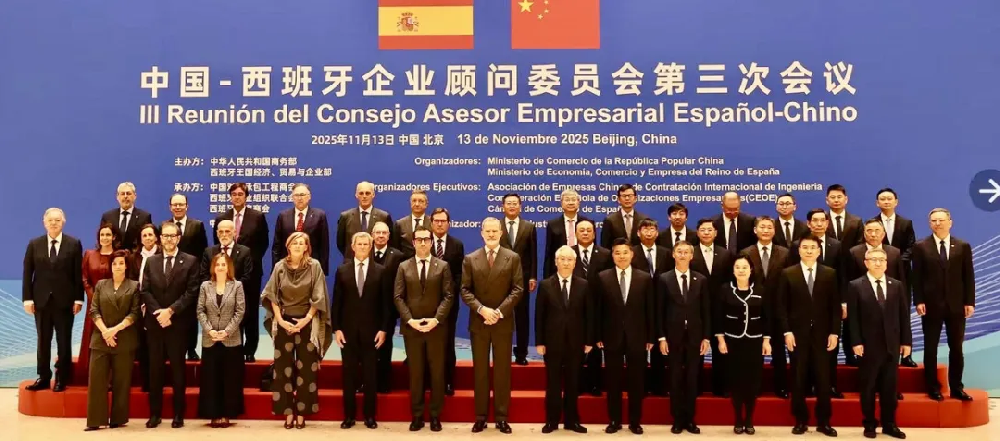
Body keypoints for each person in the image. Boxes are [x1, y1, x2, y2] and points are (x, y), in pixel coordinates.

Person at [262, 231, 333, 429]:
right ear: (288, 246)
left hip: (307, 322)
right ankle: (287, 413)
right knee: (282, 370)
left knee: (307, 370)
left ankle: (302, 413)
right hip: (283, 322)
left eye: (302, 243)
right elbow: (271, 295)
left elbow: (319, 296)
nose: (298, 246)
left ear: (307, 247)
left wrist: (306, 320)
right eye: (294, 243)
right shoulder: (279, 267)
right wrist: (279, 320)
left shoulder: (315, 266)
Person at [462, 217, 524, 434]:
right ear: (481, 233)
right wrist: (482, 309)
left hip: (502, 322)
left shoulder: (512, 257)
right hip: (479, 322)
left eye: (494, 231)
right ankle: (480, 417)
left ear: (501, 233)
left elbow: (518, 289)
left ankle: (501, 417)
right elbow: (465, 290)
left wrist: (498, 312)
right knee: (480, 372)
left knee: (502, 372)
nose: (490, 234)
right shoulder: (470, 259)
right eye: (487, 231)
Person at [776, 235, 840, 437]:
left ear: (819, 251)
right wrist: (787, 331)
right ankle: (800, 420)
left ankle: (824, 421)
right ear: (799, 250)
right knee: (798, 377)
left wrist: (834, 332)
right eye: (805, 247)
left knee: (823, 378)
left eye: (813, 247)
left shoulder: (830, 273)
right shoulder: (788, 273)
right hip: (797, 335)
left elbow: (835, 307)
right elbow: (782, 306)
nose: (809, 250)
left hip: (823, 335)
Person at [394, 226, 454, 432]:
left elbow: (448, 296)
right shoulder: (403, 266)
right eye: (418, 239)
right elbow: (398, 297)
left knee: (437, 374)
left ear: (431, 242)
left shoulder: (443, 266)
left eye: (426, 239)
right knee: (416, 374)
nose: (422, 243)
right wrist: (409, 320)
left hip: (436, 328)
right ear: (413, 243)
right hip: (412, 329)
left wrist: (436, 320)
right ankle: (417, 415)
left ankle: (435, 415)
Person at [140, 221, 200, 429]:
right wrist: (159, 312)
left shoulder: (190, 261)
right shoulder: (151, 262)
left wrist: (171, 311)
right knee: (155, 370)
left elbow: (191, 292)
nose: (168, 239)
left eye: (172, 236)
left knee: (178, 370)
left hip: (178, 324)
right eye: (165, 236)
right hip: (156, 323)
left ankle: (178, 414)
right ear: (160, 238)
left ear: (178, 238)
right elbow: (145, 290)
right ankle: (155, 414)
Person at [913, 208, 975, 401]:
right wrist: (919, 300)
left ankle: (957, 387)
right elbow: (917, 277)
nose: (938, 223)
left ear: (950, 222)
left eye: (941, 220)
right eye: (934, 220)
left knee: (956, 348)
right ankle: (933, 387)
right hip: (930, 305)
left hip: (956, 305)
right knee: (930, 348)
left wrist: (969, 302)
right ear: (929, 223)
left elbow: (968, 276)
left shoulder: (962, 246)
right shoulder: (921, 246)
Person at [847, 248, 910, 439]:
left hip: (892, 345)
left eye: (881, 259)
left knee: (890, 388)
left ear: (886, 263)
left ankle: (890, 424)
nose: (878, 263)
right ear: (866, 263)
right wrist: (856, 341)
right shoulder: (855, 285)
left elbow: (903, 316)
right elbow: (853, 318)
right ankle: (869, 424)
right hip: (868, 346)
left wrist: (906, 341)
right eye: (873, 259)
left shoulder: (896, 285)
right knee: (868, 387)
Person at [332, 232, 391, 429]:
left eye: (366, 244)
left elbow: (386, 305)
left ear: (371, 247)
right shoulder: (342, 271)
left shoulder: (381, 271)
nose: (363, 247)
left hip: (372, 333)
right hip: (347, 333)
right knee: (348, 376)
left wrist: (383, 330)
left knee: (370, 376)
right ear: (353, 246)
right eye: (360, 244)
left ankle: (369, 416)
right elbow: (337, 303)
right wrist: (337, 329)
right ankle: (349, 416)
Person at [597, 238, 655, 435]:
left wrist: (650, 337)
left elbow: (650, 309)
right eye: (617, 253)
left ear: (632, 254)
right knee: (613, 382)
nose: (621, 256)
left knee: (636, 382)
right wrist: (598, 335)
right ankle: (614, 420)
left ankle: (635, 421)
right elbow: (598, 309)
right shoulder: (602, 277)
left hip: (637, 337)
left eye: (625, 252)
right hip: (611, 337)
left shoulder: (644, 278)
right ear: (612, 255)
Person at [23, 208, 84, 392]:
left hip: (65, 301)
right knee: (43, 341)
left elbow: (78, 274)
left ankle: (62, 378)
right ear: (44, 223)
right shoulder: (34, 244)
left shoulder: (74, 244)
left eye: (57, 220)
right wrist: (27, 299)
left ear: (63, 222)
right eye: (50, 220)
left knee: (64, 341)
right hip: (41, 301)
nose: (54, 223)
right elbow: (28, 273)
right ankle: (43, 376)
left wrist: (78, 299)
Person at [536, 246, 592, 434]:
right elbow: (539, 315)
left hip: (576, 342)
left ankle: (571, 421)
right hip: (552, 342)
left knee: (573, 383)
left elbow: (589, 315)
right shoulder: (545, 285)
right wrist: (540, 342)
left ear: (575, 263)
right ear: (556, 261)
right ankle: (551, 421)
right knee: (552, 383)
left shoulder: (584, 285)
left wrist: (588, 341)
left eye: (570, 259)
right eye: (562, 259)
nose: (566, 263)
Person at [213, 182, 269, 362]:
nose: (237, 197)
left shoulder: (257, 216)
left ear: (246, 196)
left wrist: (248, 263)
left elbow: (263, 243)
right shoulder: (222, 217)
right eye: (234, 194)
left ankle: (250, 349)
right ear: (230, 197)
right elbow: (217, 244)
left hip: (250, 274)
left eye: (240, 194)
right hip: (225, 274)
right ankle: (231, 346)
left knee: (250, 311)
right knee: (227, 309)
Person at [659, 241, 710, 435]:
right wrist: (661, 337)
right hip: (672, 336)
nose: (682, 254)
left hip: (695, 336)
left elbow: (706, 310)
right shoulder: (664, 279)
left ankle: (690, 419)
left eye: (686, 252)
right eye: (679, 251)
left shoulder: (701, 279)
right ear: (673, 254)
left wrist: (706, 337)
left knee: (692, 378)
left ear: (692, 256)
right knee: (675, 378)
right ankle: (677, 419)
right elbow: (659, 310)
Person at [84, 250, 140, 431]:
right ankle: (95, 420)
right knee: (97, 381)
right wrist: (105, 332)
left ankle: (118, 418)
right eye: (115, 263)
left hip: (124, 339)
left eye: (121, 263)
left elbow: (134, 313)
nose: (118, 266)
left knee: (121, 381)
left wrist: (114, 330)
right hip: (100, 339)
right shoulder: (101, 285)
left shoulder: (134, 286)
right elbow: (94, 310)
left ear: (127, 266)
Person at [715, 255, 770, 435]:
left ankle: (749, 420)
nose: (741, 270)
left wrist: (766, 340)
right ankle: (738, 418)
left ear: (751, 270)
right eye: (737, 267)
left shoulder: (761, 289)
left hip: (754, 341)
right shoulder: (725, 289)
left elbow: (767, 318)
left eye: (745, 267)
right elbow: (718, 316)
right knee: (736, 381)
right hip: (732, 341)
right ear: (733, 270)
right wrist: (721, 340)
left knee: (752, 383)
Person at [197, 252, 247, 428]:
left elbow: (240, 311)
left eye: (223, 265)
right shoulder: (205, 286)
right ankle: (213, 414)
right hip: (210, 339)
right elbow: (200, 310)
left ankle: (226, 414)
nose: (220, 267)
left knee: (229, 379)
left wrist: (226, 331)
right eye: (217, 264)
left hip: (230, 340)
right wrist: (210, 330)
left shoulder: (237, 286)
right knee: (211, 379)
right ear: (213, 267)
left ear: (228, 268)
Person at [690, 218, 734, 397]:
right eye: (703, 230)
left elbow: (730, 281)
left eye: (710, 230)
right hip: (695, 306)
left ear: (716, 233)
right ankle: (696, 387)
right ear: (697, 232)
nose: (706, 233)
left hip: (720, 306)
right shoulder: (690, 252)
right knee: (696, 347)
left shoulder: (725, 254)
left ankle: (720, 387)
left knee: (720, 347)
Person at [168, 193, 209, 360]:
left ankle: (191, 348)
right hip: (170, 276)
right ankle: (171, 347)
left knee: (191, 314)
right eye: (175, 204)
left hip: (192, 276)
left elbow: (203, 252)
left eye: (181, 204)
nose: (178, 207)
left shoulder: (197, 225)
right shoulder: (165, 226)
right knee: (172, 311)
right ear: (170, 207)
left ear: (187, 206)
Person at [498, 193, 538, 365]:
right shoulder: (496, 226)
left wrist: (533, 276)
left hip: (522, 278)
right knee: (502, 317)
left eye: (515, 203)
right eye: (509, 203)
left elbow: (533, 254)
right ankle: (502, 353)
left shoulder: (529, 227)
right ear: (503, 206)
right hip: (500, 279)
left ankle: (521, 354)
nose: (512, 206)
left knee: (522, 317)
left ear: (520, 206)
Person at [77, 222, 120, 381]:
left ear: (114, 237)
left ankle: (110, 378)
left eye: (108, 234)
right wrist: (93, 297)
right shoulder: (89, 254)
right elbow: (84, 278)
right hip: (93, 304)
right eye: (102, 235)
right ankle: (93, 376)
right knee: (92, 339)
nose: (105, 238)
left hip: (114, 304)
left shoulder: (119, 255)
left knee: (111, 338)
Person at [430, 208, 465, 395]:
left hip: (449, 302)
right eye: (436, 221)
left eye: (443, 221)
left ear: (448, 224)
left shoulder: (456, 244)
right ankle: (429, 381)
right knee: (428, 343)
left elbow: (460, 274)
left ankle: (448, 382)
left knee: (447, 341)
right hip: (426, 302)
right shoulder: (424, 242)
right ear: (431, 223)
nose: (439, 224)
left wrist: (449, 293)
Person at [273, 183, 331, 275]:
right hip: (287, 267)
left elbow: (324, 246)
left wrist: (322, 271)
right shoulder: (283, 216)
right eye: (296, 195)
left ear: (309, 197)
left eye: (302, 195)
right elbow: (277, 245)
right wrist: (275, 270)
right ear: (292, 197)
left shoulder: (319, 216)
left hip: (311, 267)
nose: (300, 198)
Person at [129, 223, 160, 391]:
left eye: (150, 235)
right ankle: (146, 382)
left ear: (156, 237)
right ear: (140, 239)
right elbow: (131, 281)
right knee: (142, 346)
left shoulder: (162, 254)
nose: (148, 238)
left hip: (157, 305)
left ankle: (157, 381)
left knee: (156, 346)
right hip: (139, 305)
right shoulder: (133, 257)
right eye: (144, 235)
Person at [337, 181, 393, 262]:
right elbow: (341, 244)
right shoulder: (345, 217)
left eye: (367, 193)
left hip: (377, 264)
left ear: (373, 195)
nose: (364, 196)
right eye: (361, 193)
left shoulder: (384, 216)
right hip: (351, 263)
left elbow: (390, 242)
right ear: (356, 195)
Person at [100, 182, 153, 251]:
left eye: (128, 193)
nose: (125, 196)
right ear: (117, 197)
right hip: (112, 256)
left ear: (135, 196)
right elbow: (102, 240)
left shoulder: (144, 217)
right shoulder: (108, 217)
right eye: (122, 194)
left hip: (135, 256)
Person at [600, 184, 649, 248]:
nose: (627, 198)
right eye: (624, 196)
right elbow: (605, 246)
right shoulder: (609, 220)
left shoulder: (643, 219)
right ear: (618, 199)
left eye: (630, 196)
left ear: (635, 199)